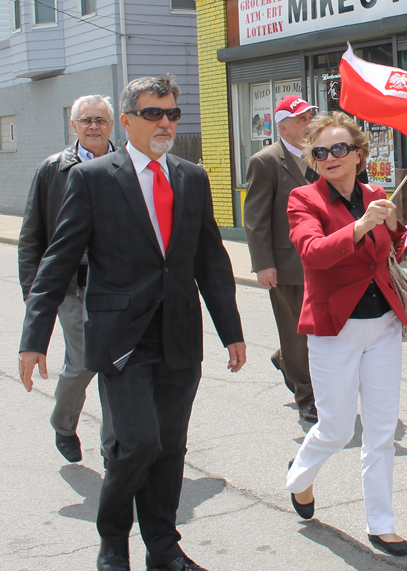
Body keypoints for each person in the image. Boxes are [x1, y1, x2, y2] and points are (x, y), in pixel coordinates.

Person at [18, 75, 246, 571]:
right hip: (122, 338)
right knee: (136, 443)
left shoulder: (192, 176)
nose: (165, 122)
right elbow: (57, 261)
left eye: (171, 113)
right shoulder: (94, 178)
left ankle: (163, 548)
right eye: (153, 113)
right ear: (127, 120)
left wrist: (231, 329)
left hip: (180, 336)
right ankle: (112, 542)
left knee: (169, 448)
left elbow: (210, 258)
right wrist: (35, 336)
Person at [286, 112, 407, 557]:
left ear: (359, 154)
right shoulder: (304, 199)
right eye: (320, 151)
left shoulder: (377, 193)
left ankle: (382, 523)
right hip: (334, 328)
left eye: (340, 149)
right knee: (336, 430)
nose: (330, 157)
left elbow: (390, 254)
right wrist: (360, 226)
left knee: (380, 430)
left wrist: (394, 228)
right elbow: (313, 254)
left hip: (383, 324)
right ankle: (299, 479)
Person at [18, 94, 116, 463]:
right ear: (73, 126)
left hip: (118, 286)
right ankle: (63, 422)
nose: (94, 126)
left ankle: (114, 448)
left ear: (113, 124)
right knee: (84, 363)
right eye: (86, 120)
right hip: (73, 288)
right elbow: (32, 234)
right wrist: (33, 291)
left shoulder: (128, 164)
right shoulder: (52, 169)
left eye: (101, 120)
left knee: (118, 365)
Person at [244, 95, 319, 422]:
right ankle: (306, 395)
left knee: (323, 330)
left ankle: (285, 359)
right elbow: (255, 217)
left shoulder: (319, 155)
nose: (308, 124)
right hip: (287, 265)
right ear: (283, 125)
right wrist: (263, 264)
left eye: (309, 117)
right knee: (297, 334)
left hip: (322, 260)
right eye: (301, 119)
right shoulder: (266, 161)